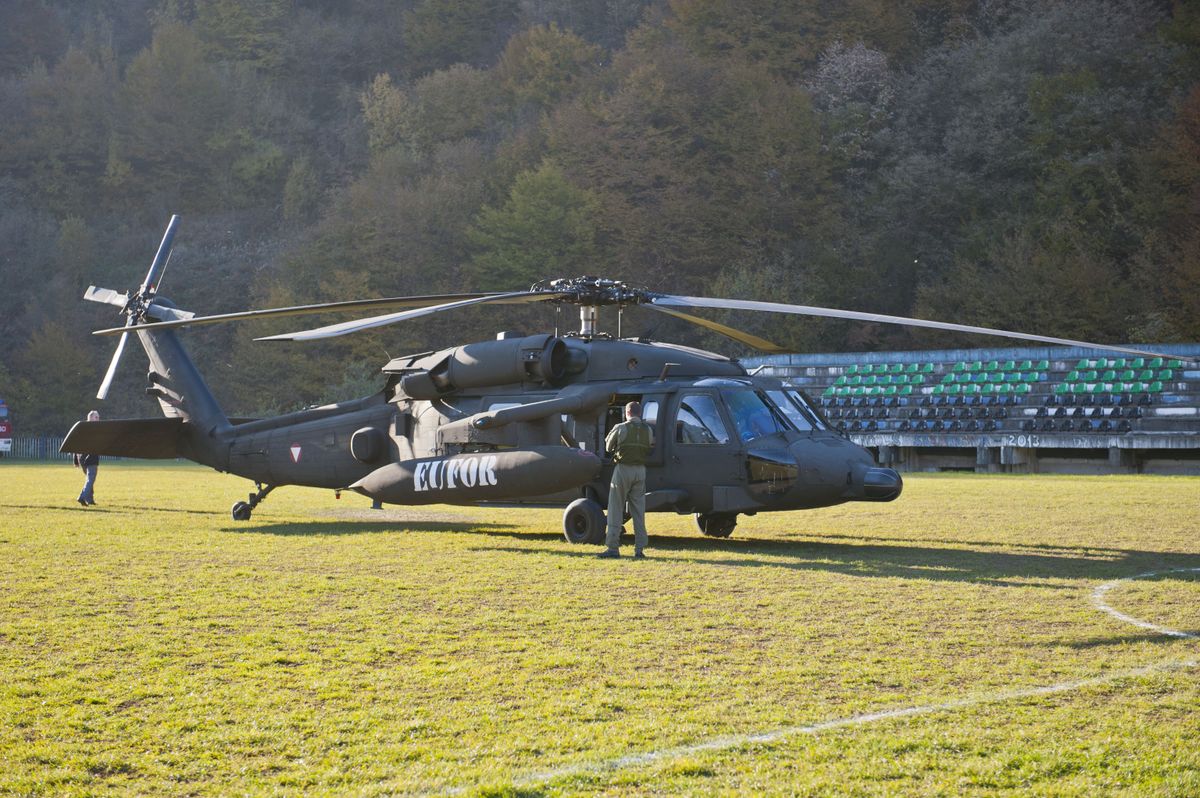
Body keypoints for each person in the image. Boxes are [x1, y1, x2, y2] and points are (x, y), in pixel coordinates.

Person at [598, 401, 653, 559]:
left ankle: (613, 548)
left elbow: (608, 447)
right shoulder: (647, 429)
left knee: (615, 508)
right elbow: (649, 446)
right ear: (640, 413)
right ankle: (639, 549)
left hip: (623, 469)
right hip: (640, 471)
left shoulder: (620, 427)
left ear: (627, 413)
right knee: (638, 511)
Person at [74, 410, 100, 507]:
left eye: (98, 417)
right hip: (91, 458)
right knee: (90, 479)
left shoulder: (82, 428)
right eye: (96, 417)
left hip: (82, 459)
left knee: (90, 479)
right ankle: (82, 497)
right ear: (90, 418)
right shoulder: (95, 429)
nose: (98, 419)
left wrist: (76, 460)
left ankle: (90, 500)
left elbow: (76, 444)